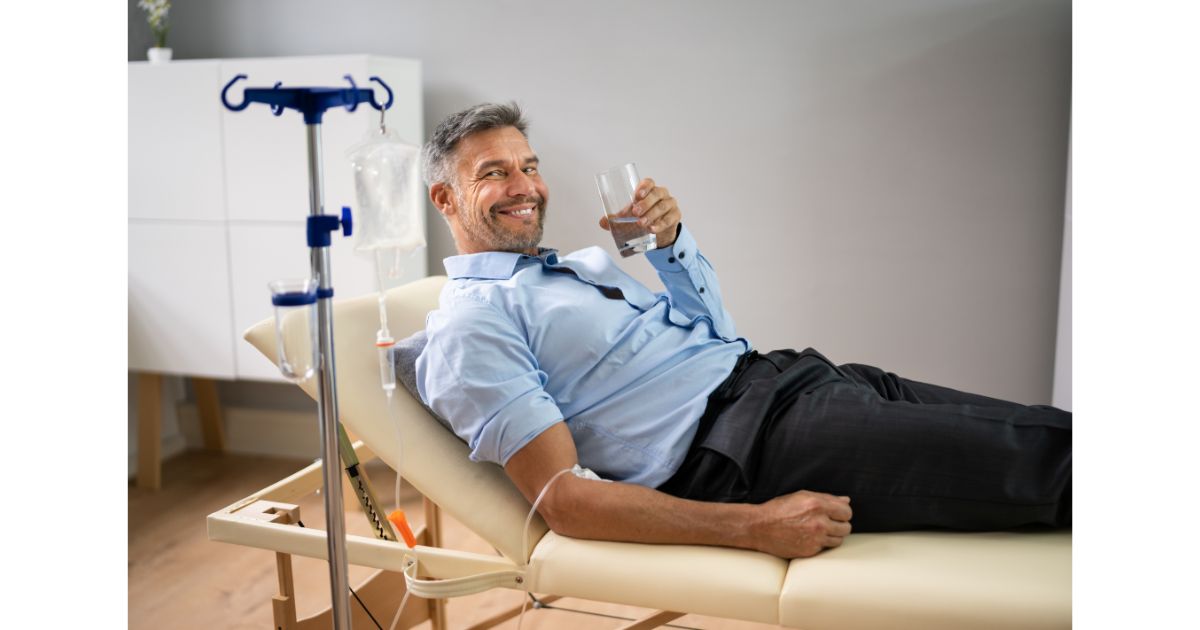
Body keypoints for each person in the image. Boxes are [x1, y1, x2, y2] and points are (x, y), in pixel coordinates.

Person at [414, 102, 1071, 559]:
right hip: (744, 447)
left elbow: (718, 338)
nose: (524, 186)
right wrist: (753, 527)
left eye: (528, 166)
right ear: (445, 198)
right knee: (1046, 461)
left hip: (786, 378)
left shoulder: (571, 267)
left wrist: (671, 245)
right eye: (494, 173)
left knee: (1041, 428)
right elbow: (562, 501)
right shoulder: (474, 322)